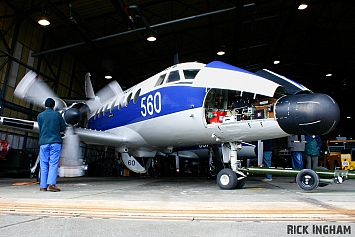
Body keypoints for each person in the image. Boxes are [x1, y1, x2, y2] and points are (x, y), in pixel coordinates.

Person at [38, 98, 67, 192]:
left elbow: (40, 127)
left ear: (45, 106)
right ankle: (51, 184)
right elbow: (63, 128)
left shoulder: (40, 116)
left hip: (43, 143)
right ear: (54, 106)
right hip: (55, 142)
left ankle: (43, 186)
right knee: (53, 164)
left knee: (44, 164)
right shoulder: (57, 115)